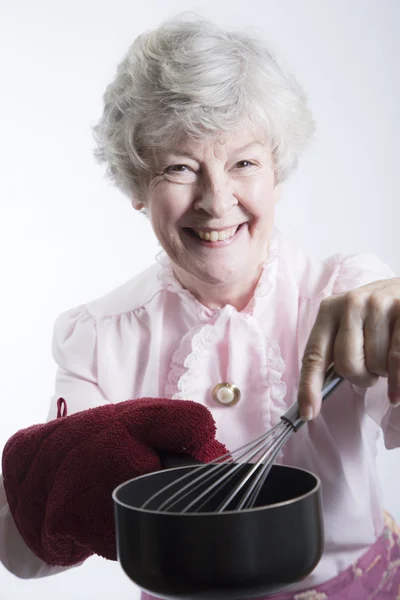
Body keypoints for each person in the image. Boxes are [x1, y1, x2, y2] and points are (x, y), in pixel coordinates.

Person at [1, 14, 400, 600]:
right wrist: (73, 469)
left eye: (244, 163)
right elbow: (25, 555)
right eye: (179, 167)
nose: (217, 202)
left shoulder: (349, 291)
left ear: (278, 173)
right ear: (137, 188)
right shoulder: (96, 337)